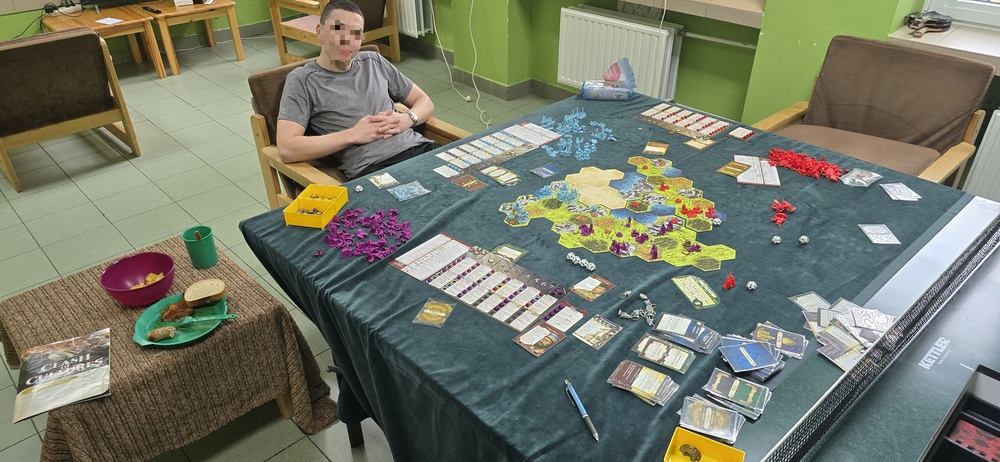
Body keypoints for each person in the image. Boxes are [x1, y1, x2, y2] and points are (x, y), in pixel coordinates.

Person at [276, 0, 437, 179]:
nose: (347, 40)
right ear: (320, 32)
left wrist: (408, 119)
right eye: (338, 29)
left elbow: (425, 101)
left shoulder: (373, 61)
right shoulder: (302, 80)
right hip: (375, 170)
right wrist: (353, 135)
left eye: (355, 33)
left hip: (421, 150)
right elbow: (287, 149)